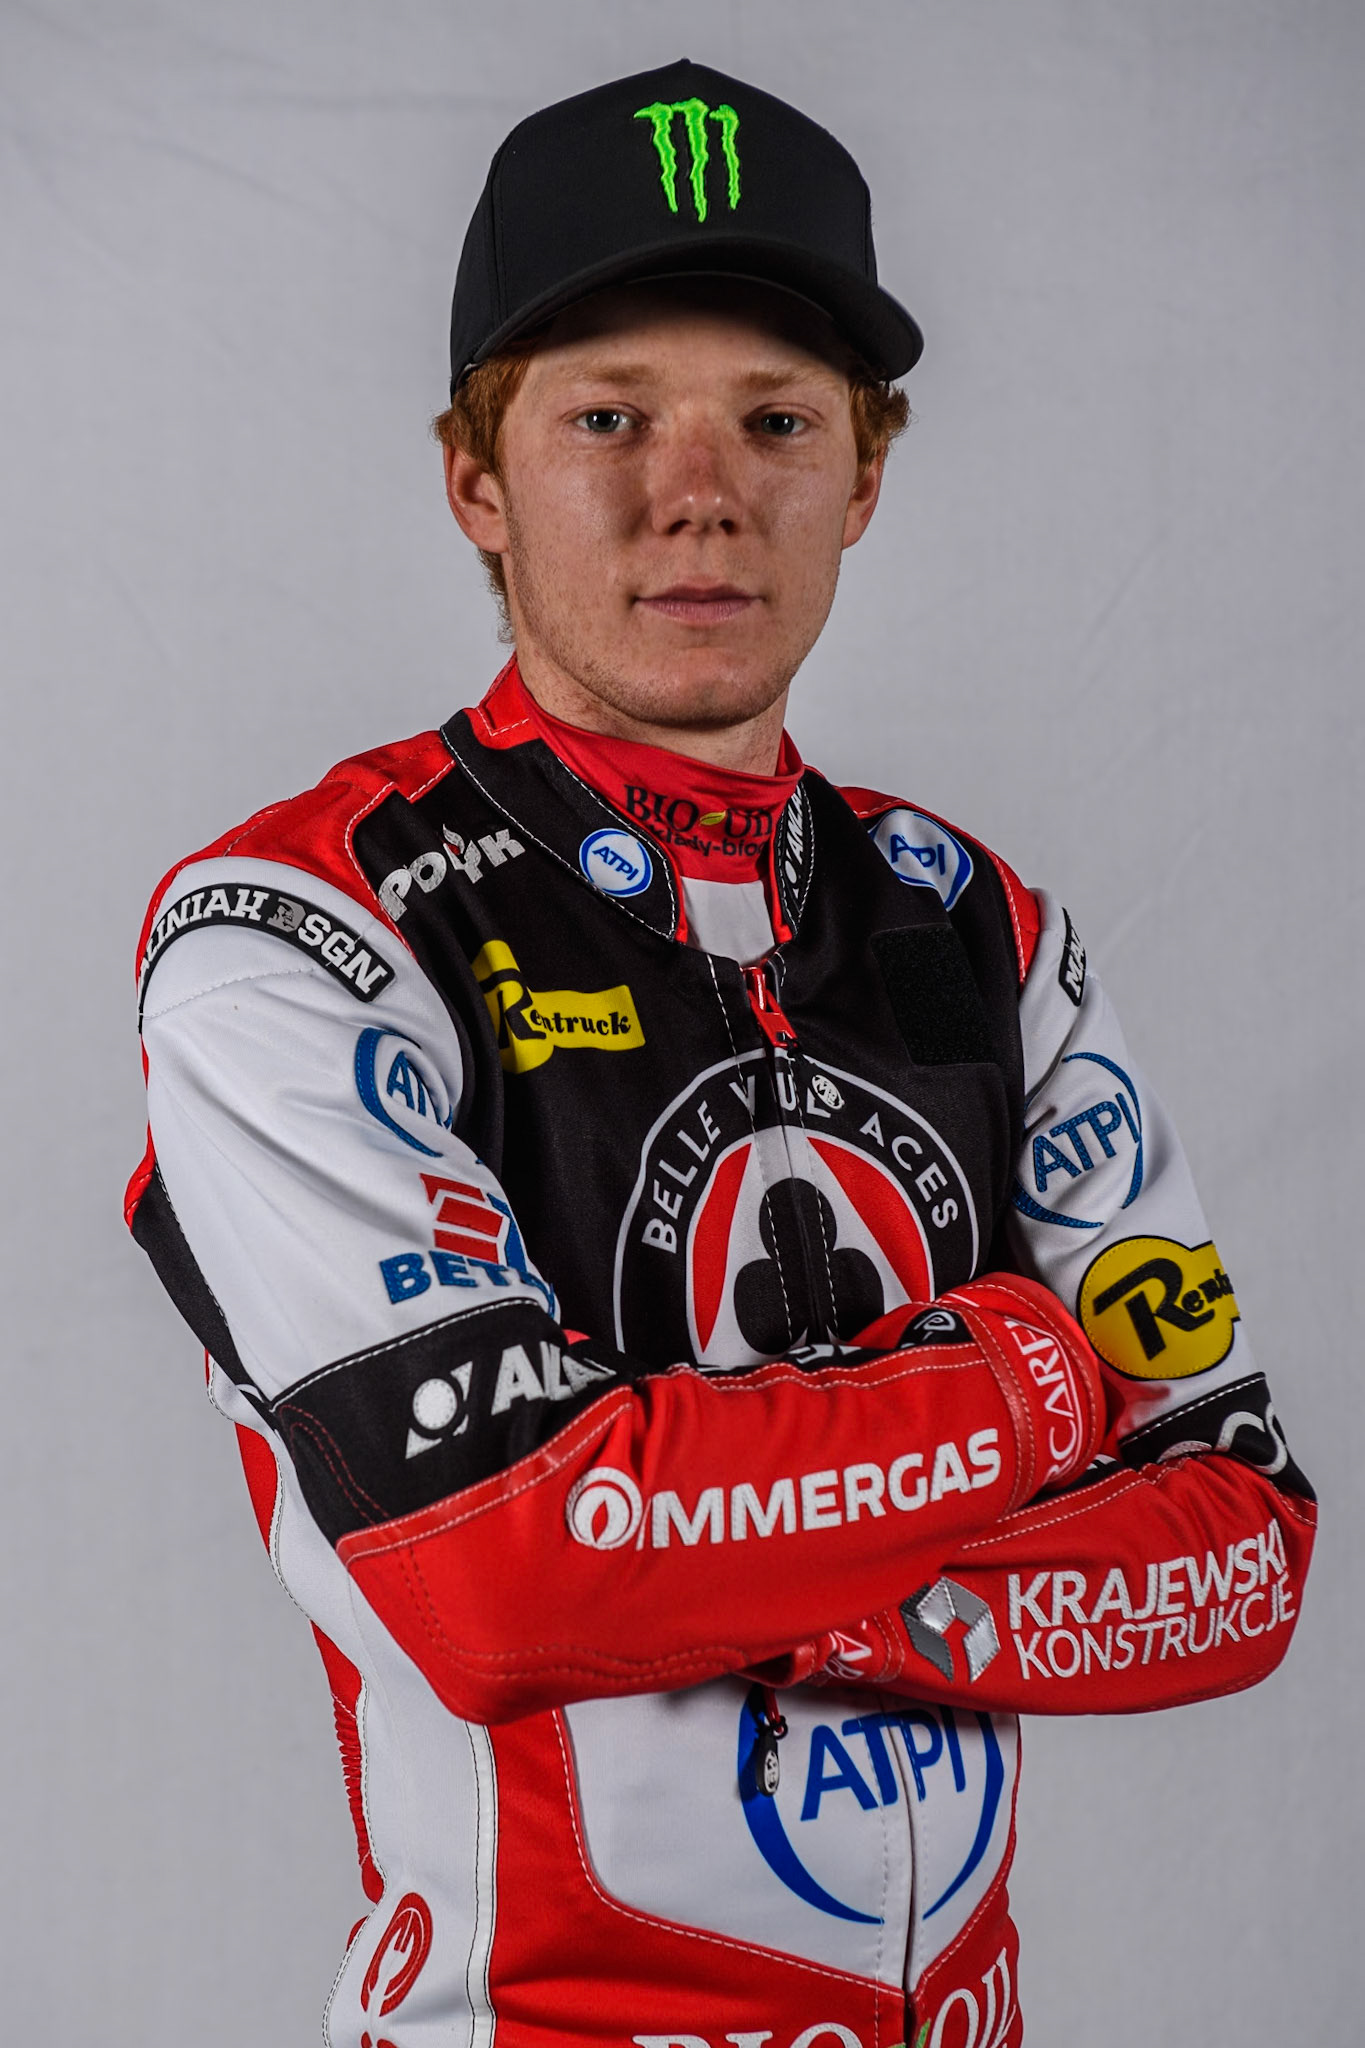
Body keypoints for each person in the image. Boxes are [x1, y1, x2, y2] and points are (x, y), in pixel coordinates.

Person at [126, 58, 1315, 2048]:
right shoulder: (298, 929)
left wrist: (772, 1587)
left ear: (861, 476)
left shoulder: (975, 927)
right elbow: (499, 1566)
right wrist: (1028, 1384)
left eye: (773, 420)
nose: (699, 488)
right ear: (474, 483)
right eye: (608, 418)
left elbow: (1235, 1544)